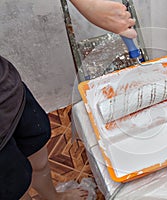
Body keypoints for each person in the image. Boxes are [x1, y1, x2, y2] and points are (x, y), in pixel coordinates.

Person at [0, 0, 136, 199]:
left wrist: (88, 5)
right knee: (15, 189)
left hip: (8, 90)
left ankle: (53, 197)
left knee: (38, 154)